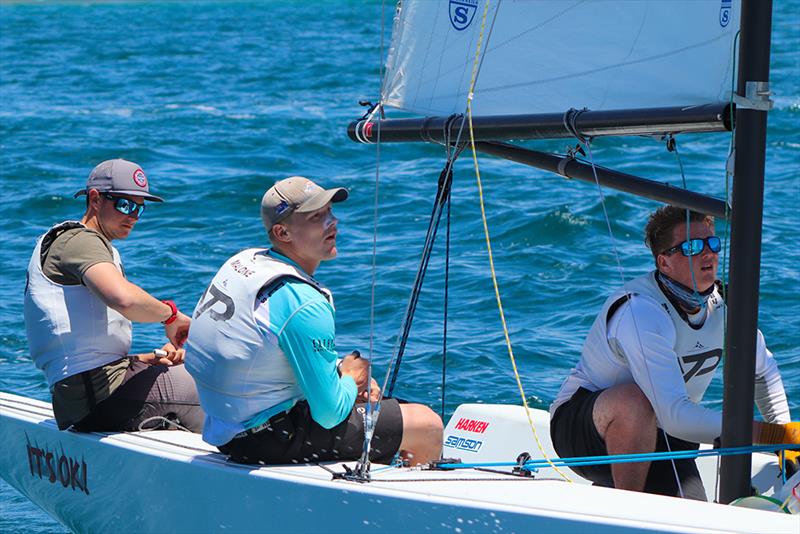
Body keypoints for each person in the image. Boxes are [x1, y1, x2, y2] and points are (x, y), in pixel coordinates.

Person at [185, 176, 443, 466]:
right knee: (426, 424)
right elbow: (330, 414)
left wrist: (340, 377)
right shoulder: (304, 302)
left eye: (330, 212)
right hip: (267, 440)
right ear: (282, 232)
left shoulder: (244, 262)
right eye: (316, 217)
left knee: (382, 408)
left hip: (224, 427)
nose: (332, 222)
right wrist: (350, 376)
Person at [549, 205, 798, 500]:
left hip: (668, 433)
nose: (708, 254)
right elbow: (675, 416)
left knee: (694, 512)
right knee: (635, 402)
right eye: (692, 247)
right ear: (664, 262)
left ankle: (615, 492)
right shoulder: (642, 311)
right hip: (585, 430)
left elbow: (762, 370)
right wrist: (769, 435)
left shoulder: (724, 306)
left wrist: (786, 440)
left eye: (712, 243)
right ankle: (625, 511)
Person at [24, 159, 204, 433]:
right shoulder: (80, 241)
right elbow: (125, 300)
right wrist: (171, 316)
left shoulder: (80, 246)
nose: (133, 215)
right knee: (215, 383)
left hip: (82, 397)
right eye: (125, 205)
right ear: (95, 199)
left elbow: (81, 350)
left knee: (188, 367)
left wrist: (144, 359)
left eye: (139, 209)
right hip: (98, 399)